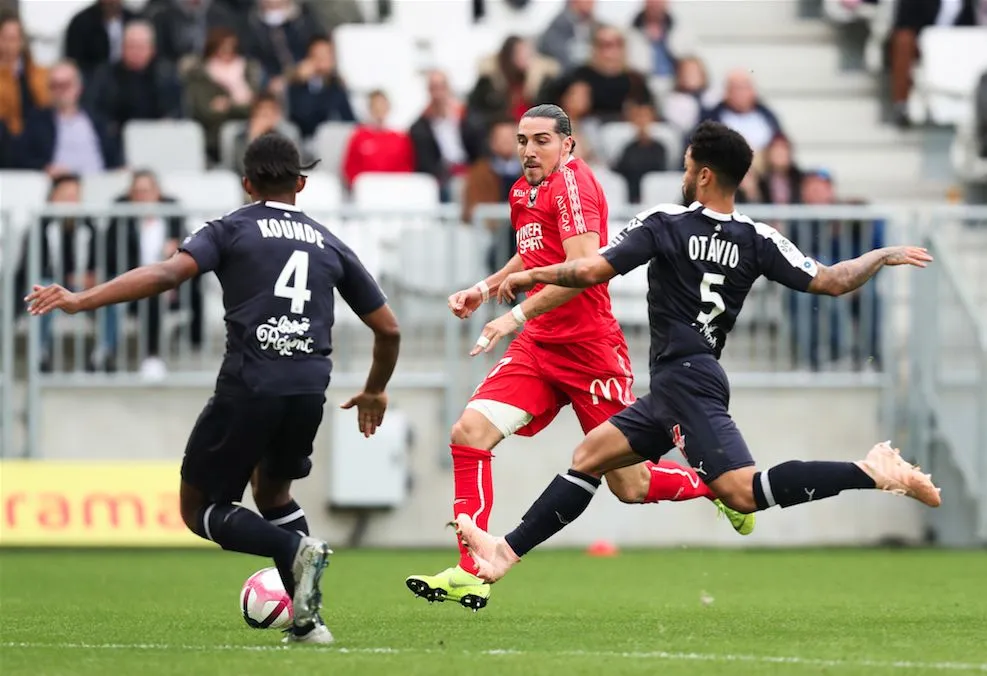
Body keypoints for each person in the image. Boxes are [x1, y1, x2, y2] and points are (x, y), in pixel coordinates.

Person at [451, 121, 942, 584]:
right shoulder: (757, 237)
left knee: (743, 492)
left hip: (686, 381)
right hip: (682, 380)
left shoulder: (665, 223)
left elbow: (587, 272)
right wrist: (880, 256)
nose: (684, 177)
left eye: (687, 168)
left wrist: (529, 275)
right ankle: (504, 553)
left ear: (704, 175)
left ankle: (871, 471)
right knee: (589, 455)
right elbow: (833, 280)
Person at [25, 132, 401, 644]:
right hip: (309, 388)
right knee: (273, 493)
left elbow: (165, 274)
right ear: (302, 183)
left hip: (249, 386)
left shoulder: (230, 229)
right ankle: (309, 622)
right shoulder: (328, 240)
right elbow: (389, 328)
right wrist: (376, 389)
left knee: (199, 510)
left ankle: (295, 550)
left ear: (246, 183)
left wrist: (80, 299)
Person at [405, 107, 753, 613]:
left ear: (568, 144)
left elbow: (582, 269)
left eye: (542, 140)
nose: (529, 150)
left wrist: (513, 316)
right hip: (538, 349)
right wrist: (485, 289)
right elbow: (534, 252)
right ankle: (472, 568)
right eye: (523, 140)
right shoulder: (522, 191)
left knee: (629, 485)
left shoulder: (574, 184)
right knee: (468, 433)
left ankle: (713, 485)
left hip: (591, 352)